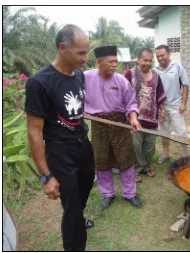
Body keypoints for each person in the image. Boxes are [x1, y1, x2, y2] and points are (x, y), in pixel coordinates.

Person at [25, 24, 95, 251]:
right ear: (62, 48)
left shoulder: (79, 76)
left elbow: (75, 113)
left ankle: (76, 220)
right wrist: (46, 176)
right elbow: (34, 131)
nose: (86, 59)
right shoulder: (39, 82)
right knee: (72, 209)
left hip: (84, 148)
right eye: (81, 53)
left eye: (87, 52)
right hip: (60, 154)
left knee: (79, 201)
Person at [84, 45, 142, 209]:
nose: (115, 65)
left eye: (116, 62)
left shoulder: (121, 80)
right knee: (101, 159)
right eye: (111, 62)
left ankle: (130, 193)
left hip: (119, 124)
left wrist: (133, 119)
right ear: (98, 62)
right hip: (98, 124)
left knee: (125, 158)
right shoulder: (85, 77)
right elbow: (74, 94)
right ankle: (107, 194)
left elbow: (131, 104)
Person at [124, 48, 167, 183]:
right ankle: (136, 169)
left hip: (151, 119)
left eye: (150, 60)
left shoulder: (156, 75)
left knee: (149, 147)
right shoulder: (129, 74)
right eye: (145, 60)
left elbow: (160, 94)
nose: (148, 63)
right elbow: (123, 95)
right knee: (136, 146)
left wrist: (163, 110)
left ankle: (146, 167)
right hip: (134, 119)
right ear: (138, 60)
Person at [154, 45, 190, 164]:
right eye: (158, 56)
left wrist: (183, 103)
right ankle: (166, 154)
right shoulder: (155, 70)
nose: (160, 58)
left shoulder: (178, 68)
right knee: (164, 131)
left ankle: (186, 156)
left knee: (181, 132)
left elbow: (185, 85)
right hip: (161, 107)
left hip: (176, 106)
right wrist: (160, 107)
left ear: (169, 54)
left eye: (162, 55)